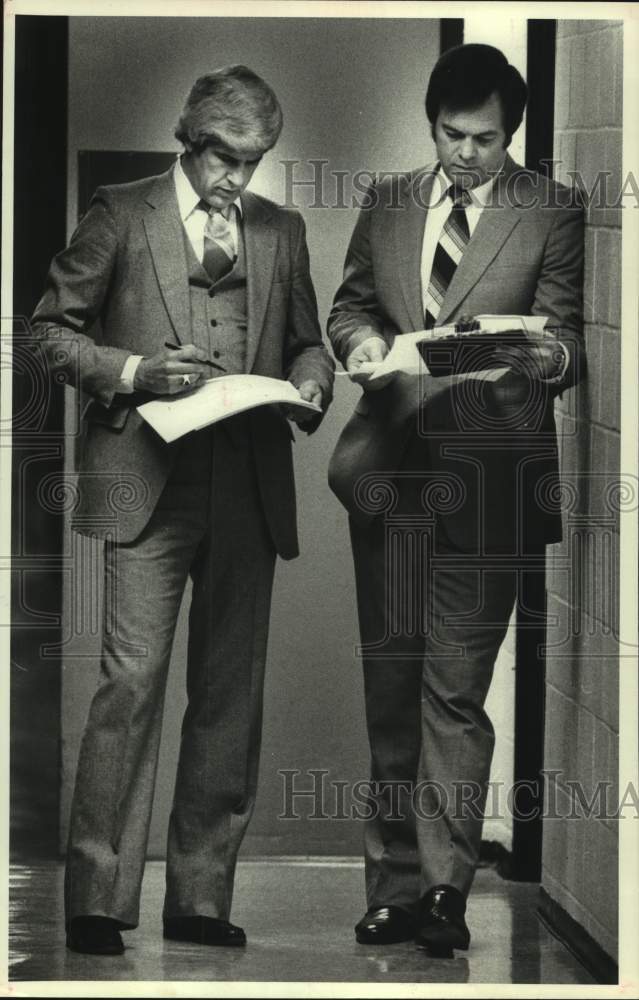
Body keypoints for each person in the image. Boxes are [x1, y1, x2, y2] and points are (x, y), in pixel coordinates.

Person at [30, 64, 334, 956]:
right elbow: (48, 331)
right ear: (189, 140)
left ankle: (200, 899)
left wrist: (311, 383)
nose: (238, 178)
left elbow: (310, 341)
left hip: (247, 481)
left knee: (229, 697)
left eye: (255, 161)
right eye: (226, 158)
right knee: (129, 687)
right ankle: (96, 898)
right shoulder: (121, 212)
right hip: (146, 481)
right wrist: (133, 373)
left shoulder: (282, 230)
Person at [328, 44, 584, 956]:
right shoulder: (390, 200)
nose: (465, 154)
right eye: (450, 135)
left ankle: (443, 892)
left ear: (509, 134)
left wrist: (537, 357)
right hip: (390, 473)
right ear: (430, 123)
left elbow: (566, 346)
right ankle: (393, 889)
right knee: (391, 692)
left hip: (485, 481)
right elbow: (349, 306)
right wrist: (360, 346)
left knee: (454, 695)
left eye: (484, 139)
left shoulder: (549, 209)